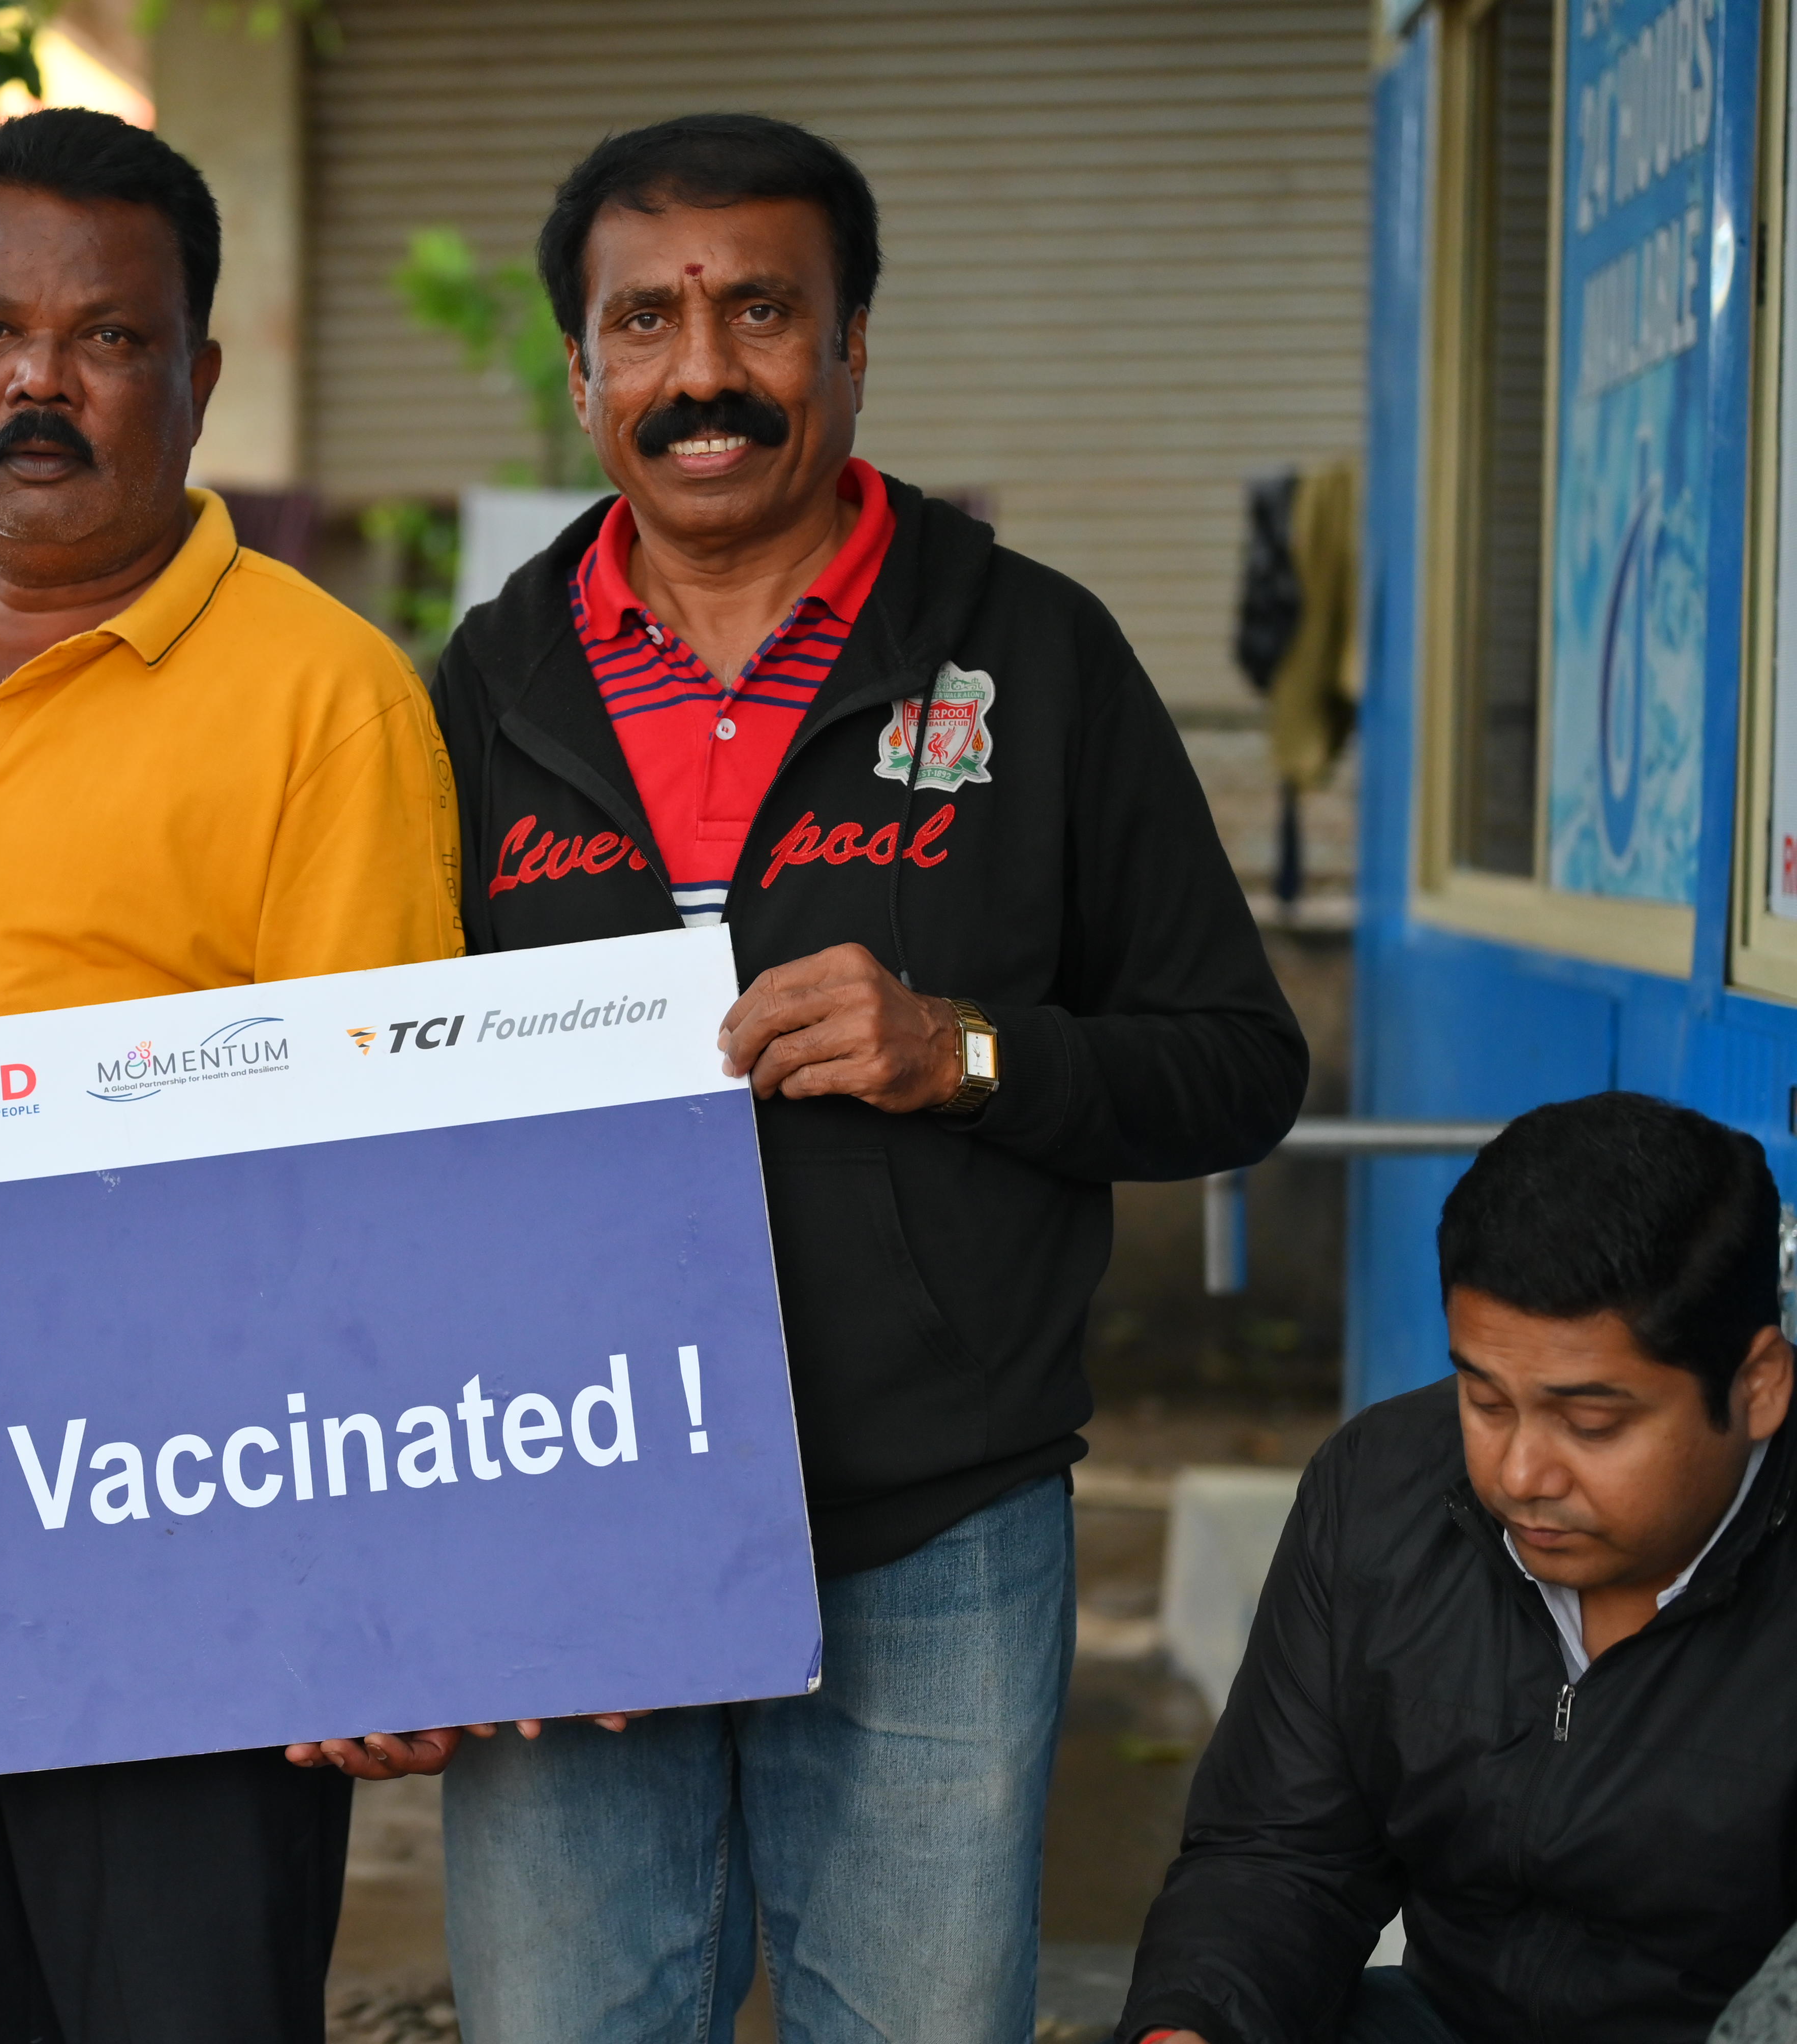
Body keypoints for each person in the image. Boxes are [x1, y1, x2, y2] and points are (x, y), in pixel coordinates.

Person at [415, 114, 1309, 2040]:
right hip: (570, 1528)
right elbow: (367, 1138)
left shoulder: (1035, 657)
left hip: (933, 1531)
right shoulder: (471, 696)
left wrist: (960, 1050)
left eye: (759, 311)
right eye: (642, 321)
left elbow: (1238, 1067)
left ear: (849, 345)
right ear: (578, 370)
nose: (701, 371)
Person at [0, 108, 461, 2044]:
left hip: (195, 1569)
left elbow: (378, 1178)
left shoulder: (325, 695)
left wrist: (367, 1582)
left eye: (104, 339)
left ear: (196, 379)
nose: (35, 384)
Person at [1121, 1091, 1797, 2044]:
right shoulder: (1382, 1487)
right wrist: (1190, 2029)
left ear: (1758, 1387)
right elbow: (1281, 1857)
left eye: (1591, 1423)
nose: (1520, 1475)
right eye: (1486, 1401)